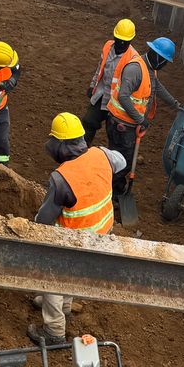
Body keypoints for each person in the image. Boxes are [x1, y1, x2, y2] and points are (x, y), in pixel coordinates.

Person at [29, 113, 125, 346]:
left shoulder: (62, 178)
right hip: (102, 234)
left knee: (52, 273)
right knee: (73, 270)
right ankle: (66, 305)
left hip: (76, 240)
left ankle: (54, 331)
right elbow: (121, 162)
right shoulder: (101, 154)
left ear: (60, 145)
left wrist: (30, 230)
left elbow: (43, 220)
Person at [104, 35, 180, 197]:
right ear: (159, 58)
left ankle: (115, 191)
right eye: (165, 61)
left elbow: (156, 86)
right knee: (124, 163)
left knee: (118, 159)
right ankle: (103, 188)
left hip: (127, 123)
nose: (165, 65)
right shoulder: (136, 69)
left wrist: (175, 104)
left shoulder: (149, 68)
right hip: (121, 124)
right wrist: (141, 120)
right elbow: (123, 96)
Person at [83, 18, 137, 144]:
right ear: (114, 36)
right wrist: (93, 85)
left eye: (125, 41)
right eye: (119, 40)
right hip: (102, 95)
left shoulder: (133, 59)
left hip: (117, 103)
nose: (122, 44)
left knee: (114, 135)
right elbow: (100, 67)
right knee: (88, 122)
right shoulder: (108, 46)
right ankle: (80, 152)